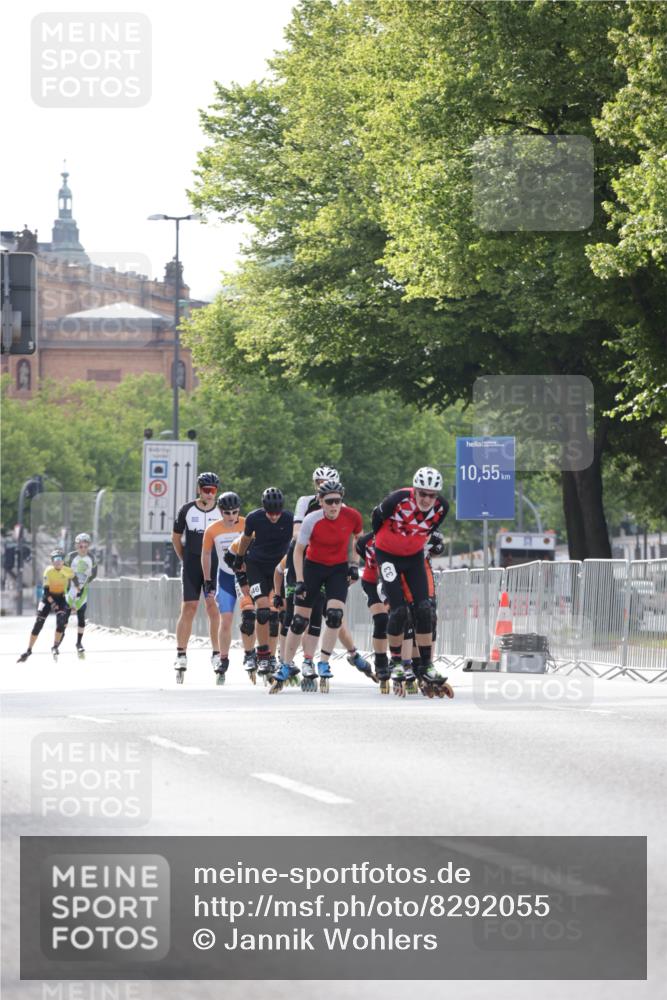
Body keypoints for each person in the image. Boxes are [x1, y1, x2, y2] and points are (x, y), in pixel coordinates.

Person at [275, 479, 362, 692]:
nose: (334, 506)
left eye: (338, 501)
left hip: (337, 569)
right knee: (298, 621)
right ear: (320, 502)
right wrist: (300, 581)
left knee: (334, 616)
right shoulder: (311, 520)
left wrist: (354, 564)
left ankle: (323, 661)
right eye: (329, 501)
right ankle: (286, 665)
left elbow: (357, 538)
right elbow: (298, 550)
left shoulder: (352, 516)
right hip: (313, 567)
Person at [372, 467, 452, 695]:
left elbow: (430, 530)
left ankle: (426, 665)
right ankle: (396, 661)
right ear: (415, 491)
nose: (427, 499)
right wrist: (384, 543)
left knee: (424, 609)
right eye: (423, 494)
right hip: (387, 556)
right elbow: (376, 519)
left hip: (414, 557)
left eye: (432, 495)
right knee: (398, 611)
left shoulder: (442, 507)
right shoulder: (397, 500)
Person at [232, 487, 293, 679]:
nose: (274, 517)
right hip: (256, 566)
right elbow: (245, 539)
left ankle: (280, 657)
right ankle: (263, 653)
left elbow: (297, 542)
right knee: (263, 610)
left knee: (278, 615)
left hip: (278, 569)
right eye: (270, 513)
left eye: (277, 512)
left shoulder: (289, 519)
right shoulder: (254, 518)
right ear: (264, 509)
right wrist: (239, 558)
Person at [171, 472, 223, 679]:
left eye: (213, 491)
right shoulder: (186, 509)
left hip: (214, 565)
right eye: (206, 490)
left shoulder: (221, 511)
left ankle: (217, 653)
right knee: (189, 607)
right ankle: (181, 653)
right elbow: (176, 538)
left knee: (213, 607)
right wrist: (184, 559)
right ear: (198, 490)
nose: (210, 494)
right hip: (192, 563)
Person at [201, 492, 245, 684]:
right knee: (225, 621)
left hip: (244, 578)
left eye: (234, 512)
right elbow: (206, 555)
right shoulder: (212, 530)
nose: (231, 516)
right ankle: (223, 659)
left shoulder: (247, 524)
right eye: (227, 513)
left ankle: (258, 655)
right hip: (225, 578)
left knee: (252, 618)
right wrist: (208, 579)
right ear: (220, 511)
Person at [17, 549, 74, 662]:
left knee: (62, 622)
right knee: (38, 623)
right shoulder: (48, 571)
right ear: (52, 562)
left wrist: (74, 600)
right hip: (47, 599)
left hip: (61, 598)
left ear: (63, 561)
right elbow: (46, 592)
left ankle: (55, 646)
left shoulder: (68, 571)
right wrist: (53, 603)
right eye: (55, 560)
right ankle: (29, 650)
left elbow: (75, 584)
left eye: (60, 559)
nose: (57, 562)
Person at [64, 532, 97, 659]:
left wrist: (84, 583)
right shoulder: (70, 557)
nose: (82, 548)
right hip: (70, 588)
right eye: (80, 546)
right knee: (64, 619)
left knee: (81, 617)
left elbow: (94, 574)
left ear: (88, 546)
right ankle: (57, 643)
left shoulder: (92, 557)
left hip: (83, 588)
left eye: (85, 546)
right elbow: (64, 570)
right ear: (76, 546)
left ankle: (78, 643)